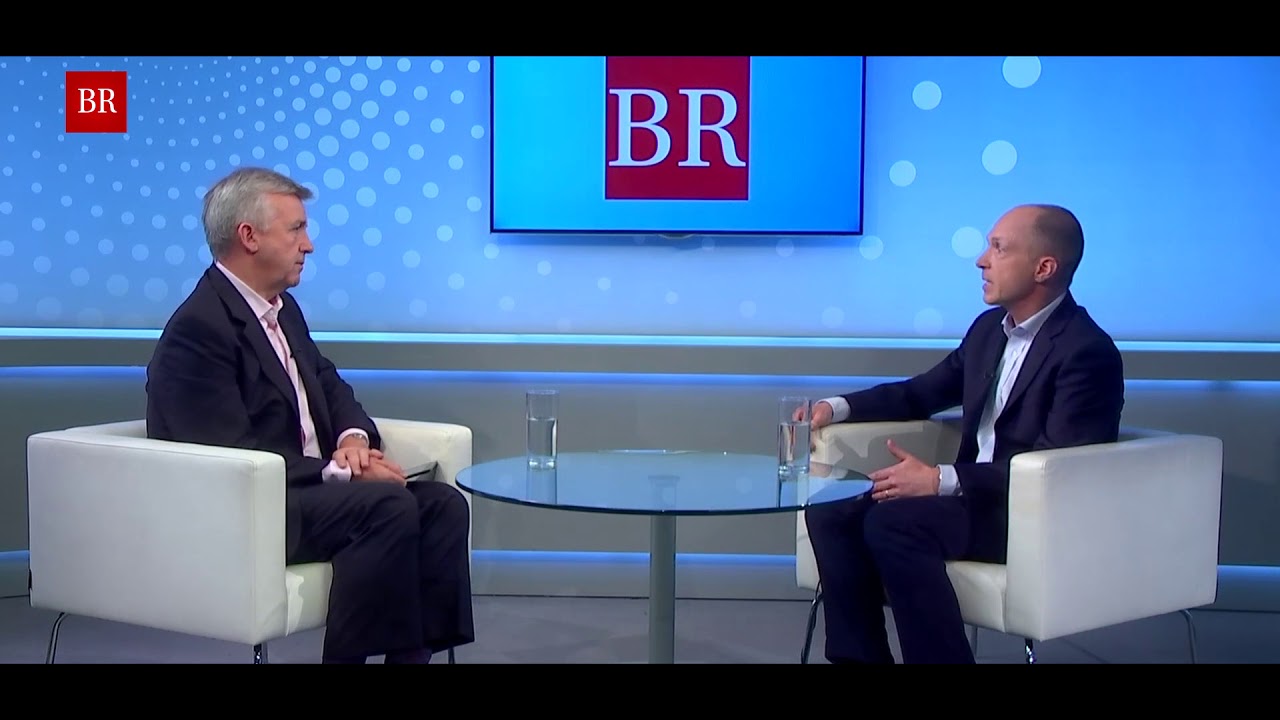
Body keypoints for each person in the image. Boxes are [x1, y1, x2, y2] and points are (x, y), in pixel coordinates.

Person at [145, 166, 475, 664]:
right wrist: (340, 473)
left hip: (307, 496)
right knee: (386, 506)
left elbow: (329, 384)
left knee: (442, 505)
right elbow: (228, 454)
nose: (309, 245)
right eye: (296, 229)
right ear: (249, 237)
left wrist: (353, 441)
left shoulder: (283, 310)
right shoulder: (199, 331)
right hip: (249, 509)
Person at [803, 203, 1125, 664]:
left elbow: (1060, 465)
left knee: (894, 523)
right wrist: (836, 407)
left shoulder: (1086, 352)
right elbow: (919, 393)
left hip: (1027, 516)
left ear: (1044, 268)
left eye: (998, 248)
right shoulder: (988, 331)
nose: (981, 260)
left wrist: (940, 480)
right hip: (967, 501)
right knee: (832, 511)